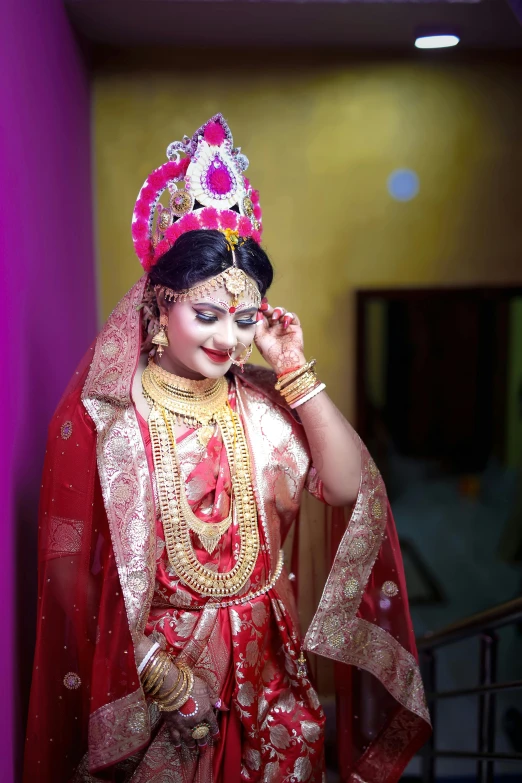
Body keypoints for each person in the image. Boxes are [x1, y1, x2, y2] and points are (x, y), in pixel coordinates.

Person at [24, 114, 431, 782]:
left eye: (244, 318)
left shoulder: (266, 406)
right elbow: (72, 570)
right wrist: (160, 674)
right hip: (165, 675)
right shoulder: (117, 419)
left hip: (273, 668)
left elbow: (346, 485)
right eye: (206, 314)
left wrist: (294, 368)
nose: (228, 339)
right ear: (158, 308)